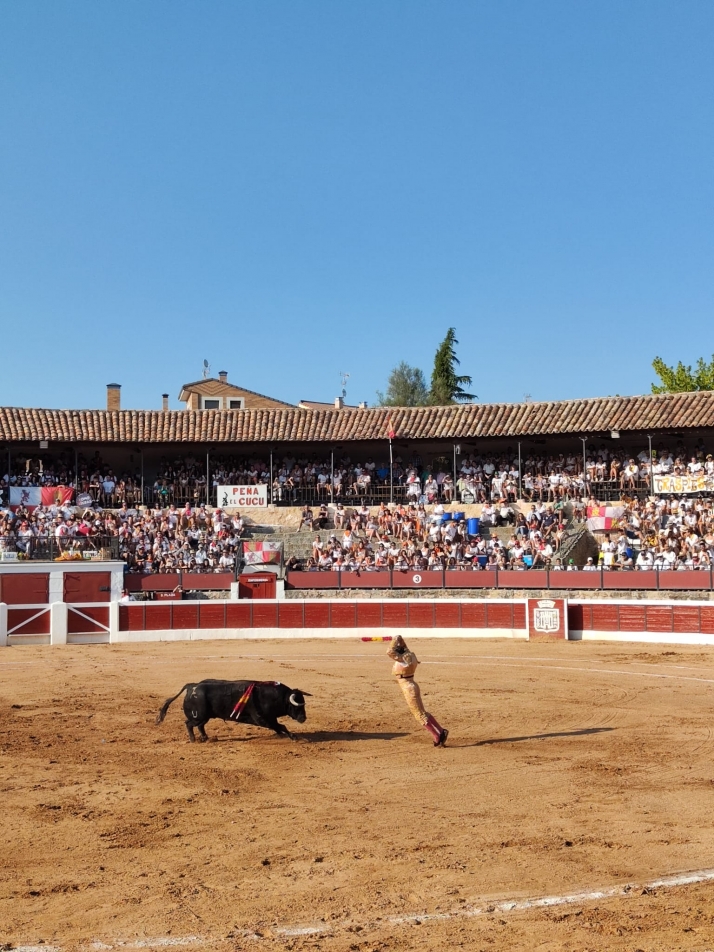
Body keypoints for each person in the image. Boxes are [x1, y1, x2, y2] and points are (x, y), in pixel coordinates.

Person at [386, 634, 448, 747]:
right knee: (423, 712)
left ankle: (436, 735)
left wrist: (395, 639)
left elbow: (389, 651)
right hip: (412, 684)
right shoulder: (409, 655)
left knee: (419, 714)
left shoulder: (402, 659)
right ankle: (440, 730)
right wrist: (401, 640)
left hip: (408, 688)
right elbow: (401, 649)